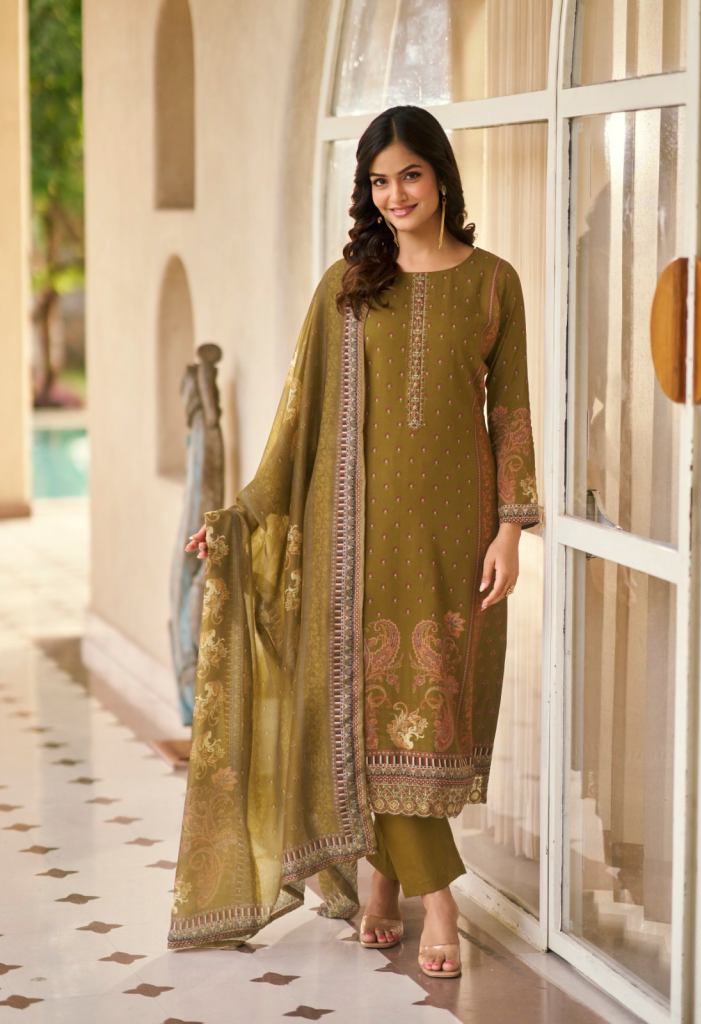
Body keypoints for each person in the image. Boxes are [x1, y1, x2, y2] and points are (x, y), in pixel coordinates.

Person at [168, 104, 539, 981]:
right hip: (355, 540)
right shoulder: (347, 287)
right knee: (365, 718)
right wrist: (244, 515)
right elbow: (299, 418)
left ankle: (381, 880)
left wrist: (510, 531)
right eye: (378, 181)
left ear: (440, 176)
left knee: (426, 718)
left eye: (408, 174)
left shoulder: (494, 282)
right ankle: (436, 902)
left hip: (450, 539)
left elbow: (512, 414)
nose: (394, 194)